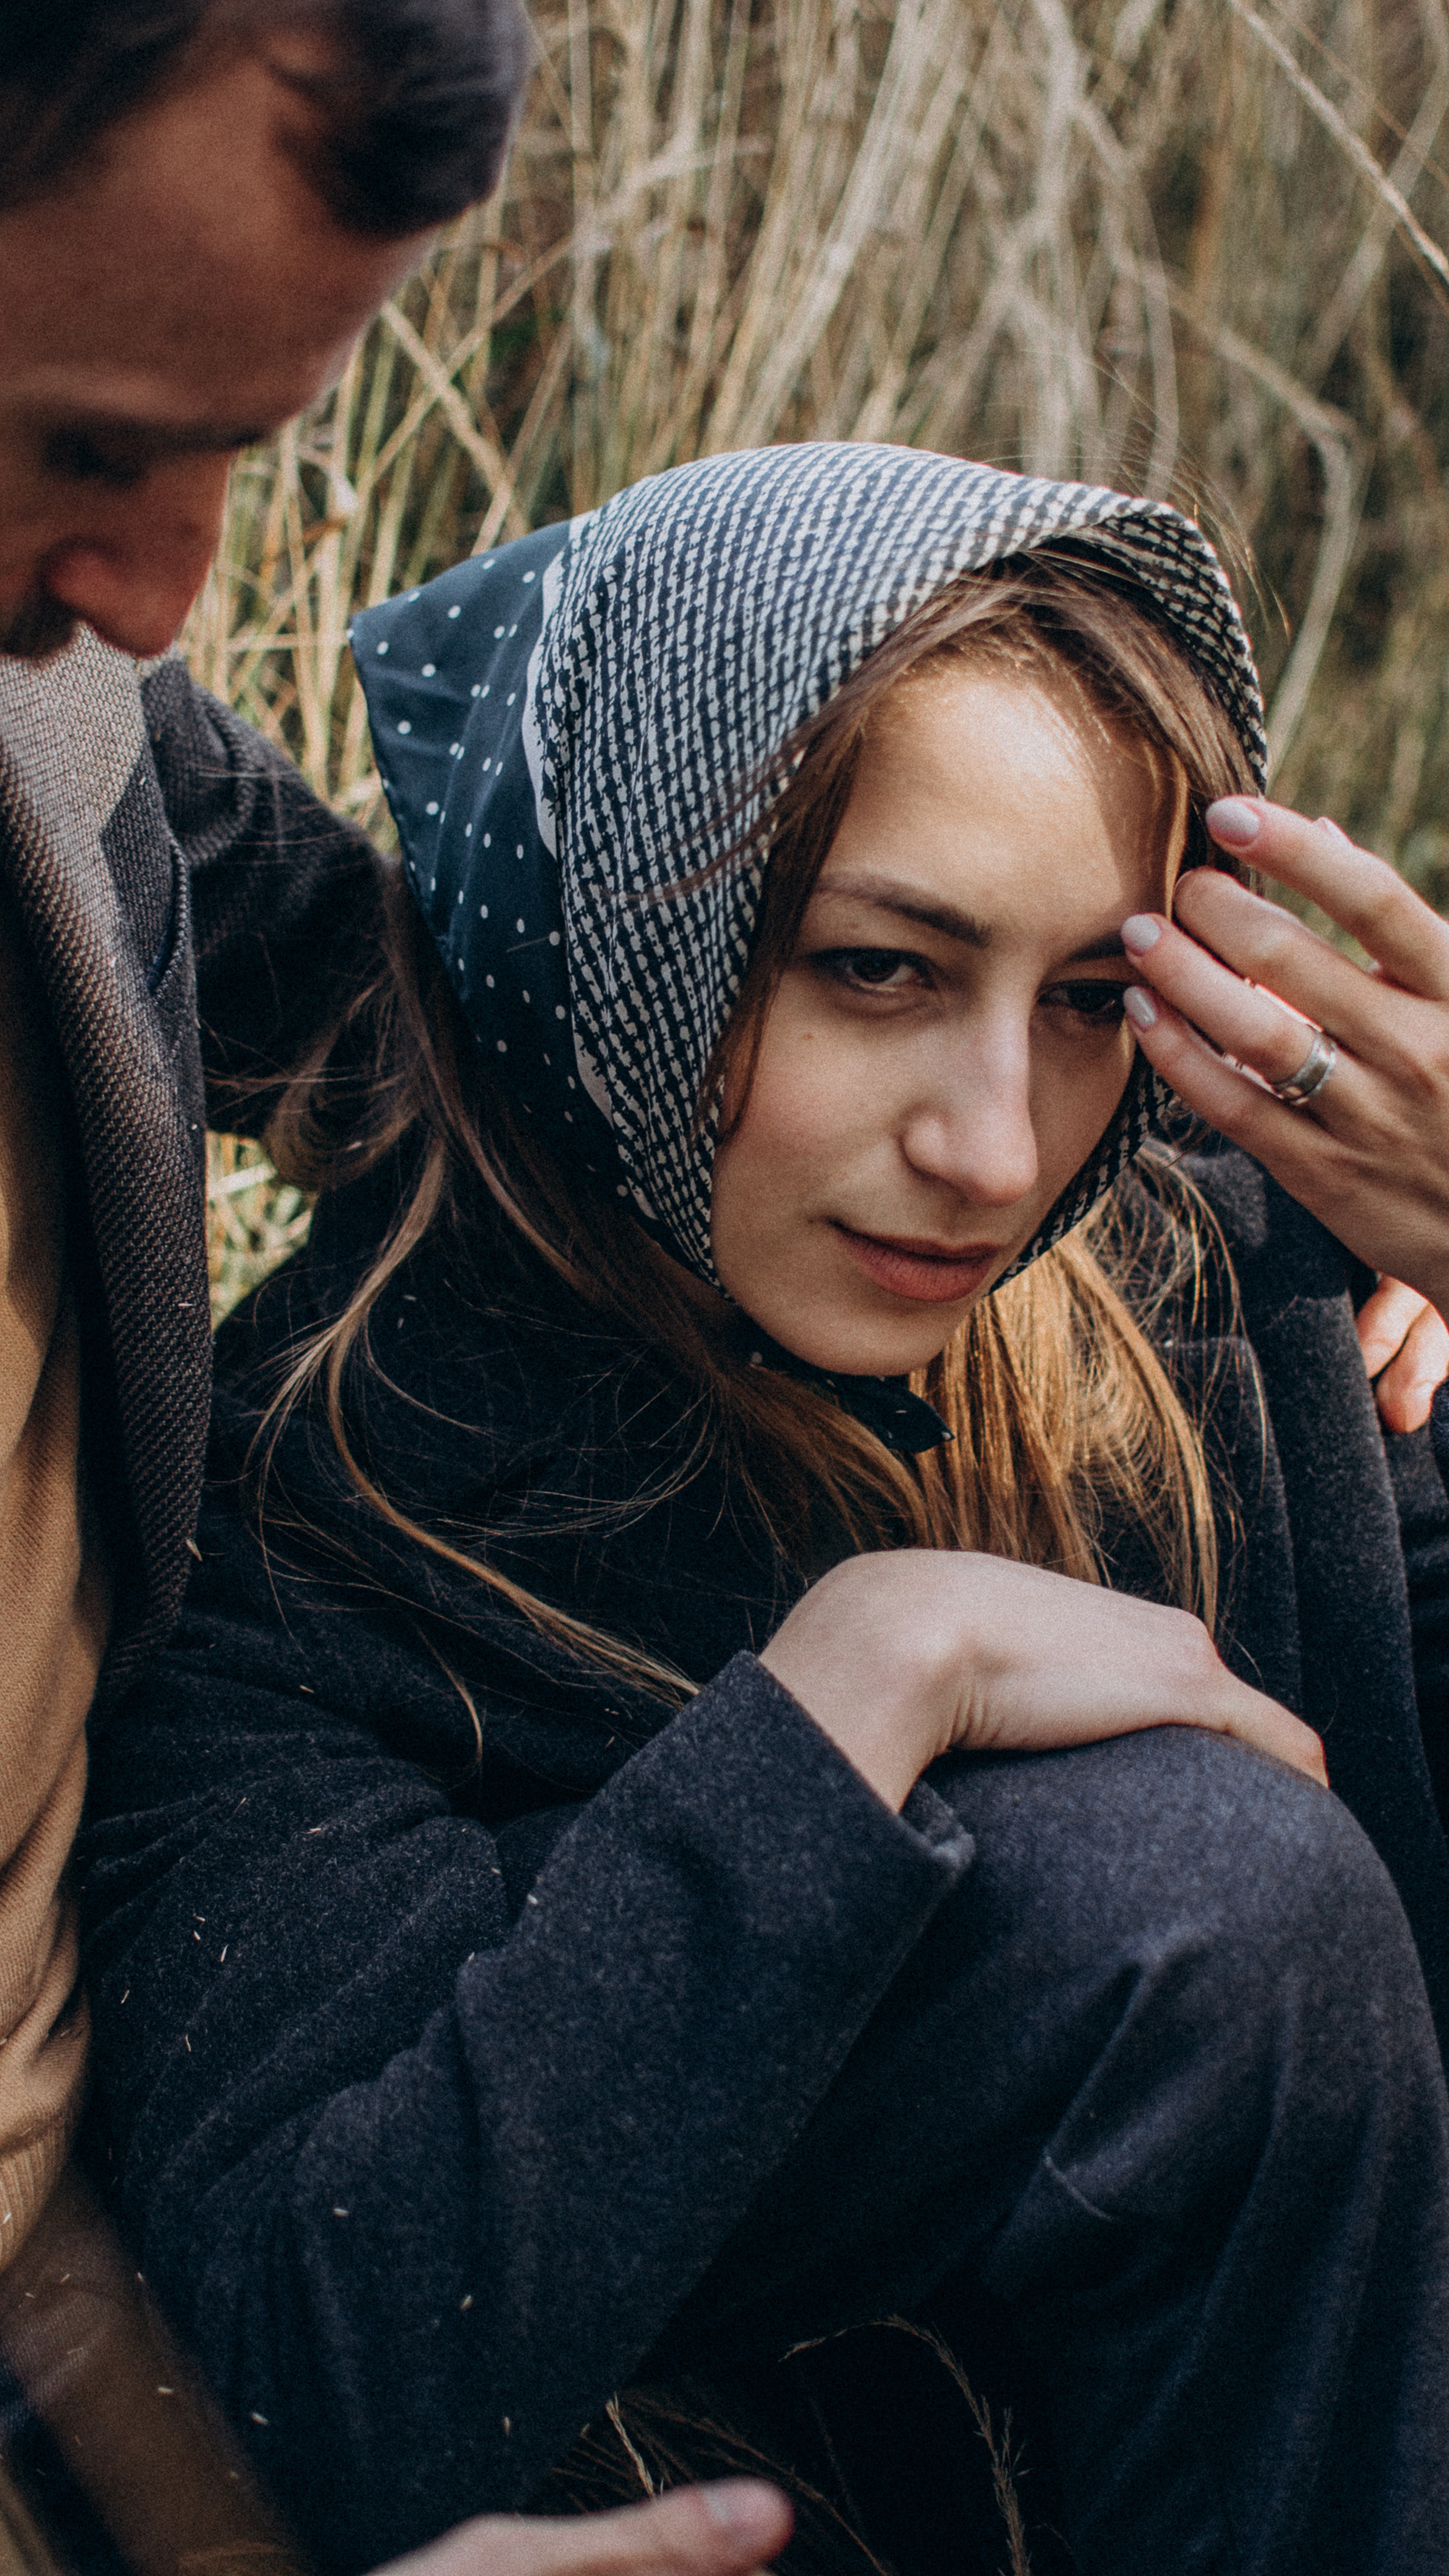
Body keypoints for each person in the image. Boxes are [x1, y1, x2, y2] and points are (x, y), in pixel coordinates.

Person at [74, 440, 1449, 2573]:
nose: (996, 1142)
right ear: (630, 925)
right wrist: (842, 1712)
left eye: (1093, 1000)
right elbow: (298, 2374)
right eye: (879, 967)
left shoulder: (1213, 1306)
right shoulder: (331, 1522)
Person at [0, 4, 798, 2568]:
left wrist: (1220, 1220)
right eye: (82, 441)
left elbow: (425, 1019)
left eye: (239, 462)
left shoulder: (58, 704)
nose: (157, 597)